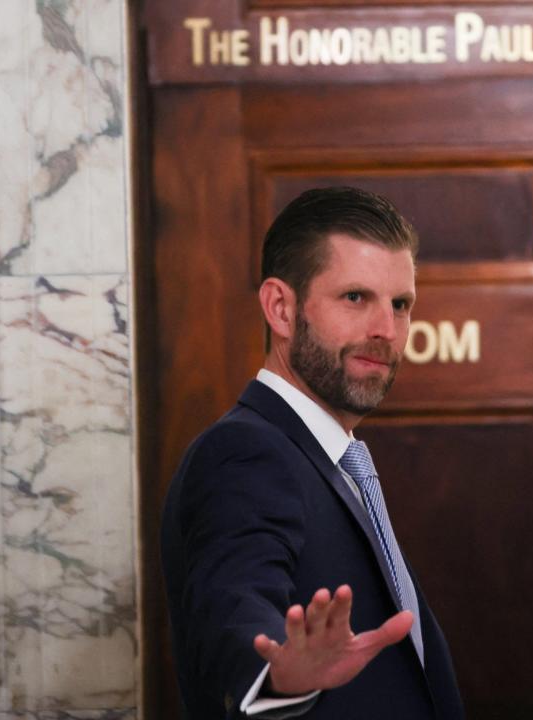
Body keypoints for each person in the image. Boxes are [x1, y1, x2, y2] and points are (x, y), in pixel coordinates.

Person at [160, 187, 464, 719]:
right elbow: (235, 605)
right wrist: (278, 677)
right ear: (281, 307)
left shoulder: (331, 460)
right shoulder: (244, 453)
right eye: (355, 298)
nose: (386, 331)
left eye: (400, 305)